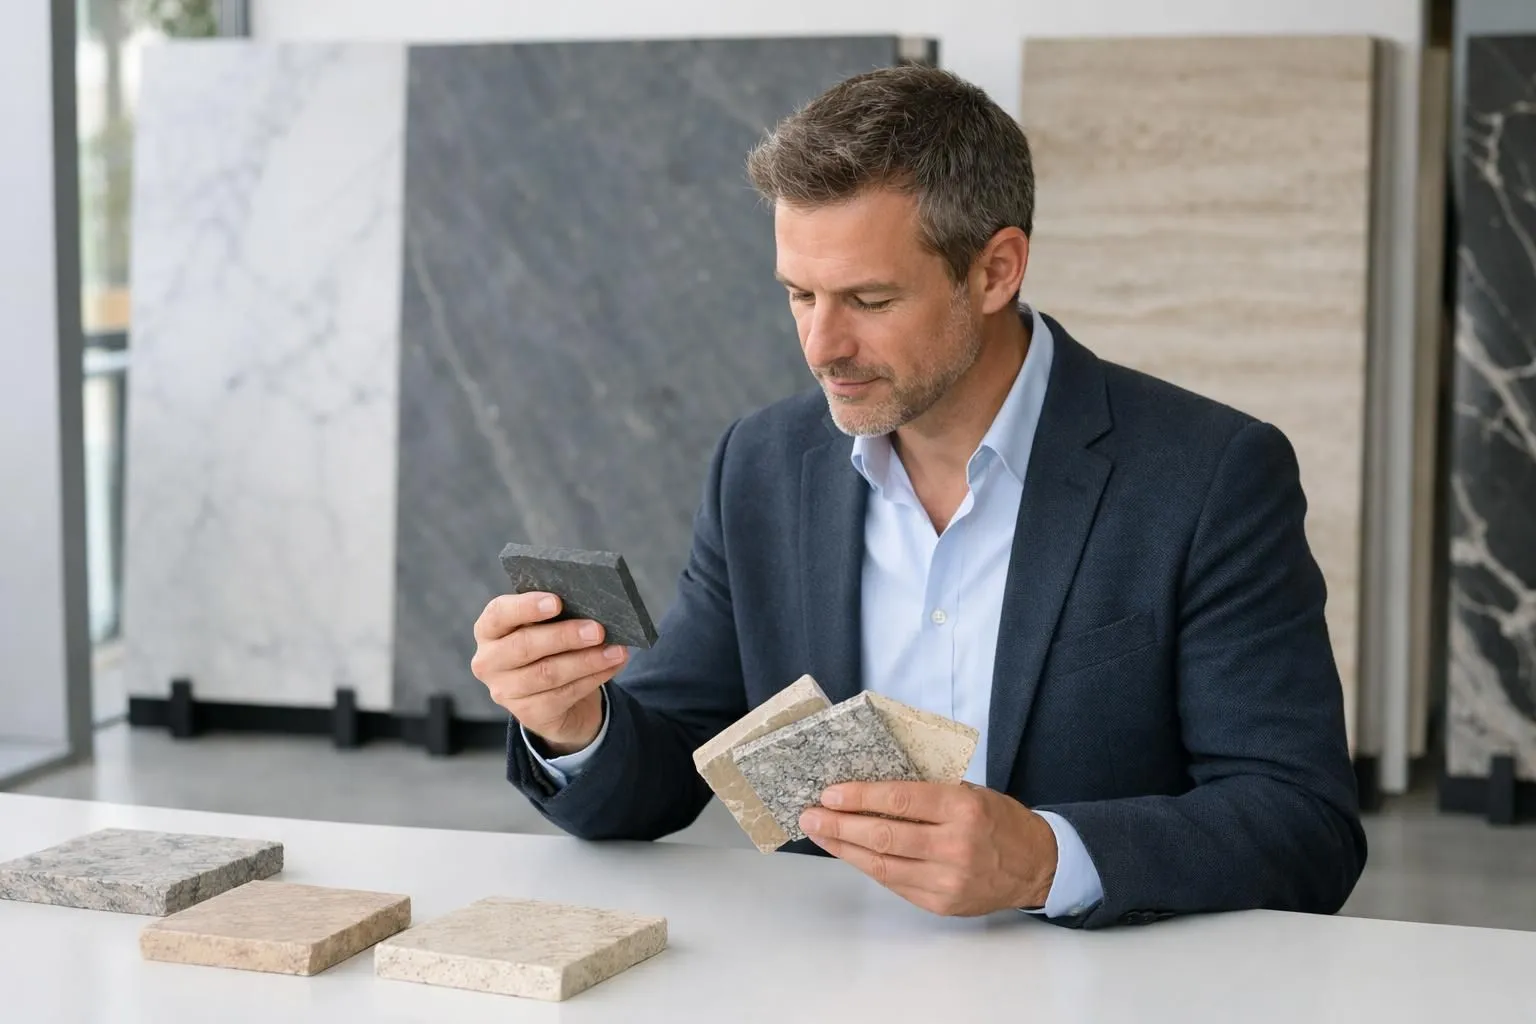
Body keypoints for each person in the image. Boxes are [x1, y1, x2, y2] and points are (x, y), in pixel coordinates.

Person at [470, 64, 1366, 929]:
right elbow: (662, 770)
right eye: (799, 294)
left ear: (995, 271)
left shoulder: (1210, 475)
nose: (823, 346)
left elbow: (1303, 823)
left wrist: (1045, 859)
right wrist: (571, 722)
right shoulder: (763, 464)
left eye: (868, 298)